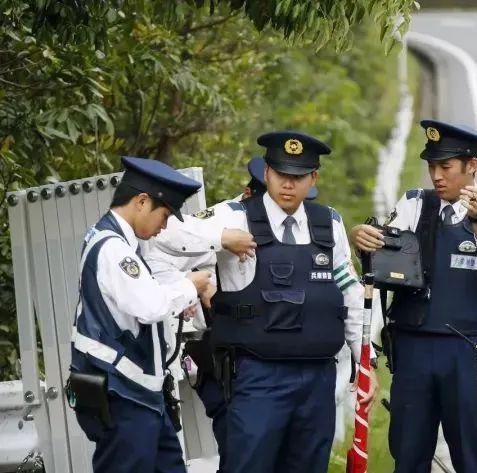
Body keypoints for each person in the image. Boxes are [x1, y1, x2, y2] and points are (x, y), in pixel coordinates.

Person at [147, 131, 378, 473]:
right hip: (258, 376)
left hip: (317, 378)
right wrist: (222, 239)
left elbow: (350, 294)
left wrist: (365, 362)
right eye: (281, 174)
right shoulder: (234, 215)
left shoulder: (328, 223)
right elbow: (164, 232)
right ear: (267, 172)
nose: (288, 184)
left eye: (298, 177)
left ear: (313, 178)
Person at [351, 119, 477, 473]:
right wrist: (362, 237)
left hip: (466, 352)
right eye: (431, 166)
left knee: (472, 457)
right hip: (413, 349)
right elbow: (384, 255)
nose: (436, 176)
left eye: (446, 167)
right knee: (408, 456)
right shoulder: (414, 204)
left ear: (471, 166)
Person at [158, 156, 321, 473]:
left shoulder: (299, 226)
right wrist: (203, 279)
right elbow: (165, 241)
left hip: (276, 364)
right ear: (252, 195)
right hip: (226, 363)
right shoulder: (225, 218)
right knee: (241, 452)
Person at [69, 156, 214, 472]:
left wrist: (180, 291)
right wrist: (190, 285)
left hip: (141, 394)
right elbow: (150, 306)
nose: (164, 226)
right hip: (122, 395)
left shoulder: (127, 243)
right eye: (163, 216)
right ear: (141, 201)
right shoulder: (113, 249)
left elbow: (154, 283)